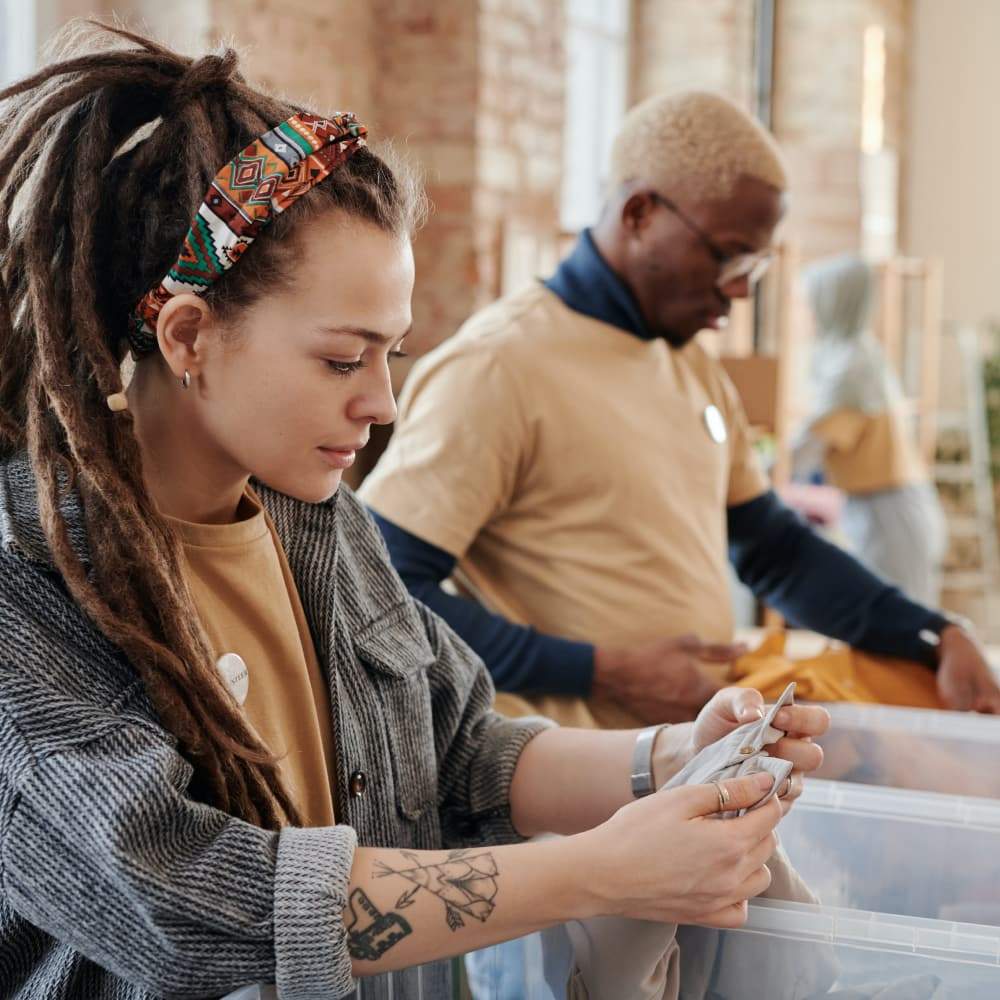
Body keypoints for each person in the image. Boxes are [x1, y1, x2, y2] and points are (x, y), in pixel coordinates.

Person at [0, 24, 830, 1000]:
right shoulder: (31, 591)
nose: (382, 403)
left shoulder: (314, 517)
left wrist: (673, 754)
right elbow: (183, 901)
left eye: (390, 356)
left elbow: (462, 750)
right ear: (189, 336)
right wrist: (601, 869)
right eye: (343, 359)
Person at [360, 90, 1000, 726]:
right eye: (728, 254)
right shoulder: (499, 368)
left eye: (758, 262)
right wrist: (599, 669)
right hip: (571, 791)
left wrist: (933, 633)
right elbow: (385, 589)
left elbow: (774, 549)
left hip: (692, 760)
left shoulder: (689, 363)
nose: (742, 288)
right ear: (640, 213)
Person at [792, 253, 947, 606]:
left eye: (807, 303)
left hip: (890, 512)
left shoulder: (851, 368)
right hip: (878, 507)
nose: (802, 315)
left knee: (899, 631)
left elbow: (804, 450)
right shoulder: (853, 356)